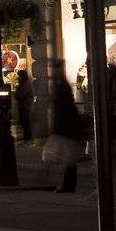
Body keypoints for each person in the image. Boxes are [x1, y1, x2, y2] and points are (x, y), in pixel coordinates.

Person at [46, 64, 87, 194]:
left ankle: (68, 186)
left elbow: (62, 110)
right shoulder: (62, 85)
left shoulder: (61, 87)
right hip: (68, 128)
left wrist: (56, 128)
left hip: (67, 128)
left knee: (69, 159)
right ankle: (68, 185)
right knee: (69, 159)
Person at [13, 70, 35, 144]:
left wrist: (17, 89)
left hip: (26, 107)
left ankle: (28, 139)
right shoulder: (24, 84)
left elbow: (19, 95)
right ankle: (26, 139)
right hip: (24, 106)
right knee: (24, 123)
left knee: (26, 123)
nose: (18, 77)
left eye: (19, 76)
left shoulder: (26, 84)